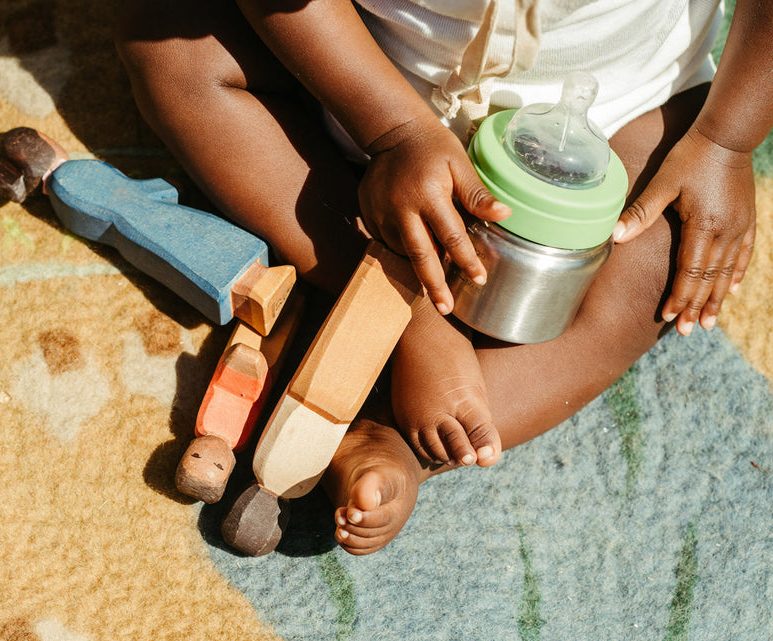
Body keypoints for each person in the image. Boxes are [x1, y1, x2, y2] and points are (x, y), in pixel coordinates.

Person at [115, 0, 772, 555]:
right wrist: (394, 129)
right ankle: (410, 316)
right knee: (174, 51)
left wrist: (724, 140)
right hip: (351, 77)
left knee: (669, 251)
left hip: (615, 127)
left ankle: (398, 439)